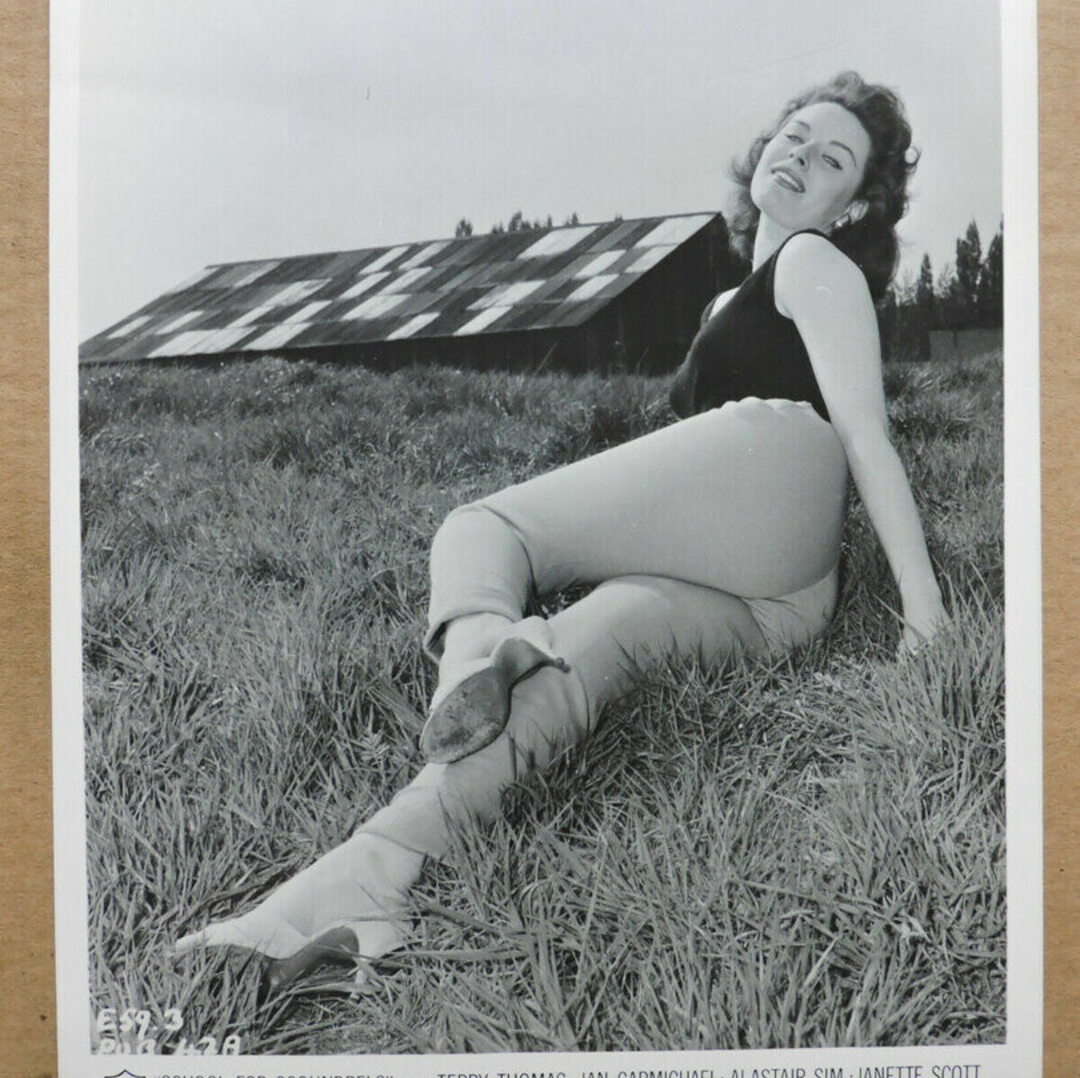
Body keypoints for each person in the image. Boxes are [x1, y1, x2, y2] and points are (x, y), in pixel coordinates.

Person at [174, 71, 947, 991]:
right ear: (764, 145)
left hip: (781, 473)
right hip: (775, 607)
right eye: (795, 135)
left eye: (833, 159)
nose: (801, 157)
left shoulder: (815, 263)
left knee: (483, 528)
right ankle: (369, 877)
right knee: (581, 649)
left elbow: (865, 434)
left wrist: (923, 615)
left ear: (853, 206)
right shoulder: (720, 305)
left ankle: (470, 667)